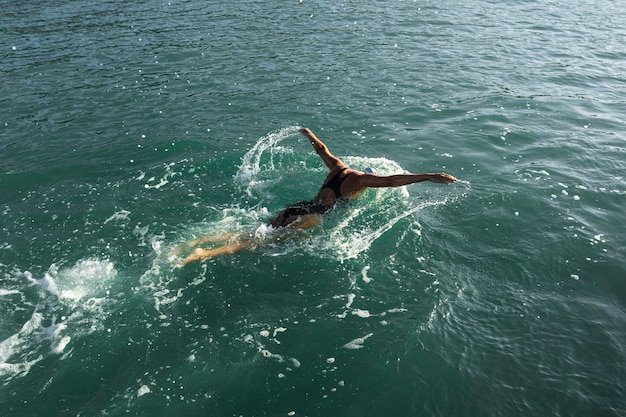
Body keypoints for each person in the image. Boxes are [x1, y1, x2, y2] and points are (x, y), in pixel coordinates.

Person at [180, 127, 457, 264]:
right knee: (259, 244)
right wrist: (429, 176)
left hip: (301, 206)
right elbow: (394, 181)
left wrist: (307, 132)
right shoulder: (359, 181)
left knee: (259, 231)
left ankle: (198, 241)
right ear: (367, 177)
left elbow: (322, 148)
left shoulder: (338, 167)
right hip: (313, 216)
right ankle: (206, 253)